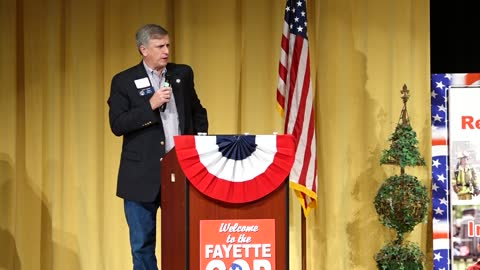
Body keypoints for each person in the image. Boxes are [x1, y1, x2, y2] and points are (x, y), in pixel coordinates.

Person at [107, 24, 208, 269]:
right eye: (159, 46)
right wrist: (149, 104)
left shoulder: (182, 74)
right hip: (140, 177)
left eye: (168, 45)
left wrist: (200, 144)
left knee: (183, 239)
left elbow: (197, 112)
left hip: (180, 173)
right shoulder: (124, 81)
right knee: (142, 244)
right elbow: (118, 124)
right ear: (143, 50)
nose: (166, 51)